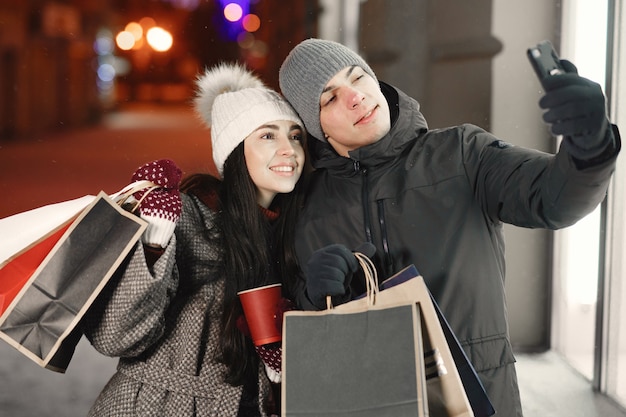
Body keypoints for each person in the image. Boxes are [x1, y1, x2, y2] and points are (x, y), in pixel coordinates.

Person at [278, 38, 621, 416]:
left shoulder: (462, 153)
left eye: (358, 78)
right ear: (316, 128)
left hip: (481, 400)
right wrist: (314, 295)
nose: (355, 97)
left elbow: (554, 200)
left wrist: (590, 145)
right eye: (329, 98)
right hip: (376, 403)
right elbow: (302, 338)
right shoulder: (306, 208)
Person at [82, 63, 309, 416]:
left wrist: (280, 360)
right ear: (234, 152)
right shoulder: (188, 219)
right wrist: (155, 237)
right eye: (268, 135)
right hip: (156, 407)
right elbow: (114, 336)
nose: (289, 149)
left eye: (295, 135)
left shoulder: (293, 231)